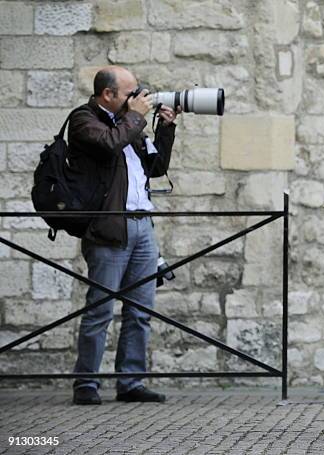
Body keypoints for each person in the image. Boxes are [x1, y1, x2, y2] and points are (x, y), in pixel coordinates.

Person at [68, 66, 179, 405]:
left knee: (140, 309)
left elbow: (155, 168)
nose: (137, 98)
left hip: (143, 226)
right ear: (108, 95)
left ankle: (130, 381)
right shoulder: (85, 120)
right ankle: (86, 382)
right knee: (100, 308)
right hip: (108, 226)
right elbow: (108, 144)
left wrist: (166, 128)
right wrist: (135, 117)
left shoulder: (131, 122)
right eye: (130, 93)